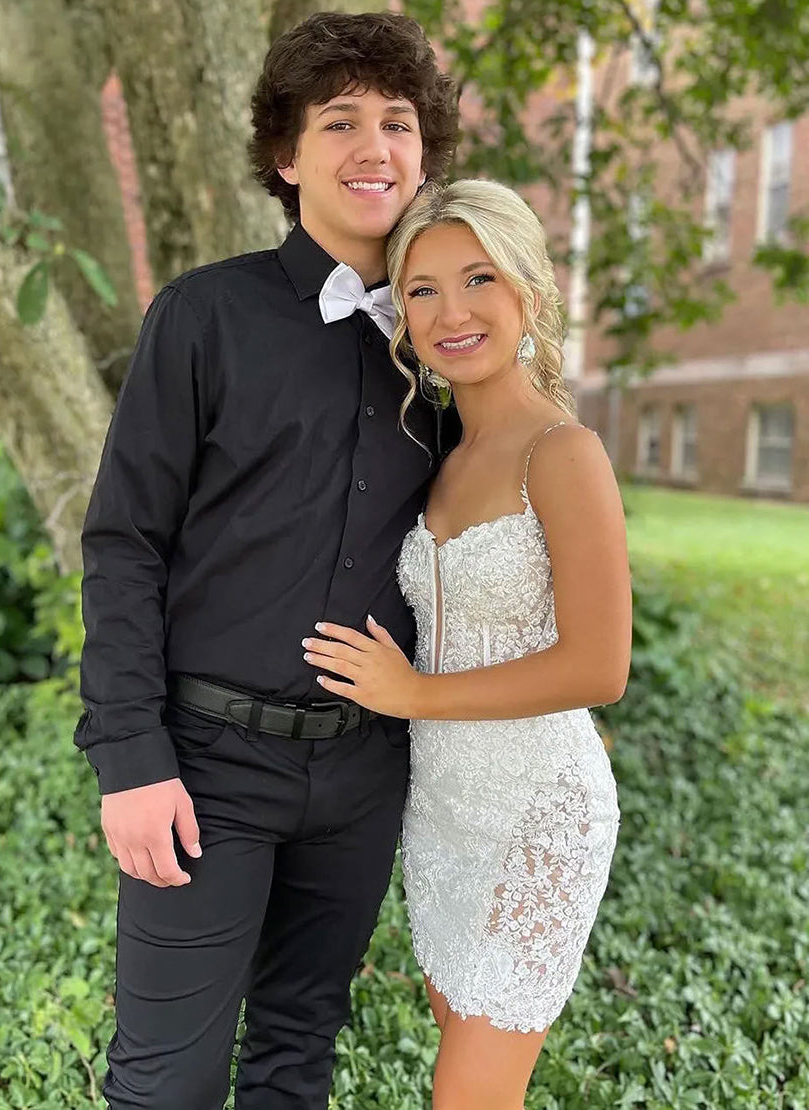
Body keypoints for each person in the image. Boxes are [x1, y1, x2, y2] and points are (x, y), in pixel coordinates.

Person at [73, 13, 459, 1108]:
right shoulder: (204, 316)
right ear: (287, 157)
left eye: (398, 121)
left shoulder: (444, 345)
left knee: (297, 1054)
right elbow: (124, 542)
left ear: (424, 151)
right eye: (341, 121)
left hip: (363, 771)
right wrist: (130, 759)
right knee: (167, 1081)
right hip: (206, 765)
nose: (374, 146)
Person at [301, 179, 631, 1109]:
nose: (452, 313)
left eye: (479, 278)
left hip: (537, 814)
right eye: (423, 289)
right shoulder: (440, 456)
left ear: (528, 287)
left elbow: (600, 667)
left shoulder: (562, 453)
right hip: (441, 814)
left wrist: (413, 695)